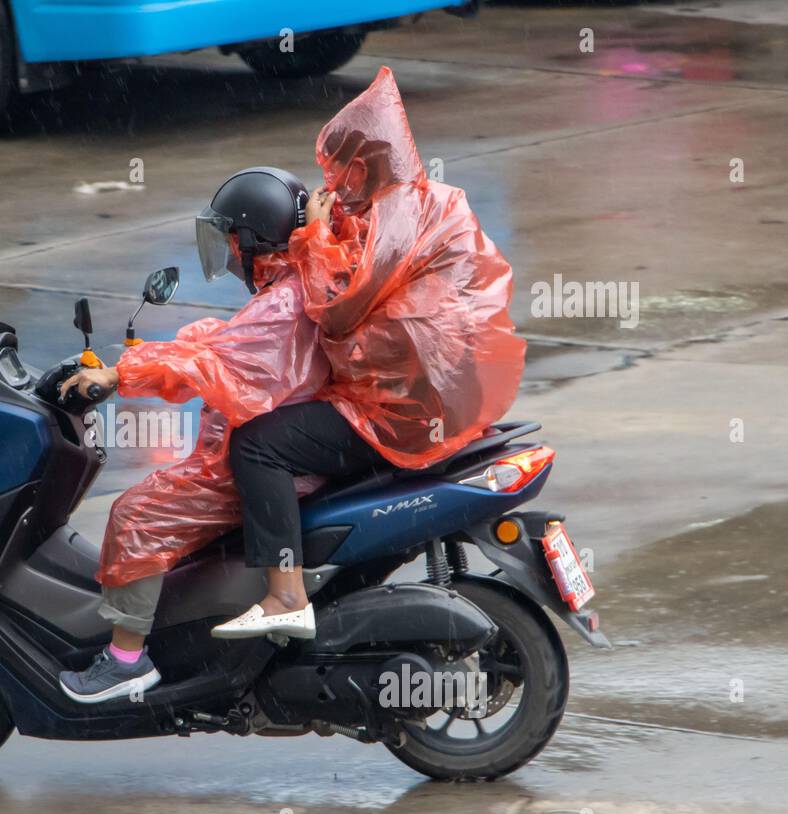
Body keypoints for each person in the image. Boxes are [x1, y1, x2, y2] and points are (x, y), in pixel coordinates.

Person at [57, 67, 524, 705]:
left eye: (230, 243)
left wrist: (123, 373)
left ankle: (132, 657)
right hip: (397, 411)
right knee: (240, 446)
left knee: (139, 514)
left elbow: (238, 366)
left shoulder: (307, 282)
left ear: (252, 240)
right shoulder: (353, 245)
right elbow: (232, 347)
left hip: (372, 422)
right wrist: (159, 351)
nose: (228, 258)